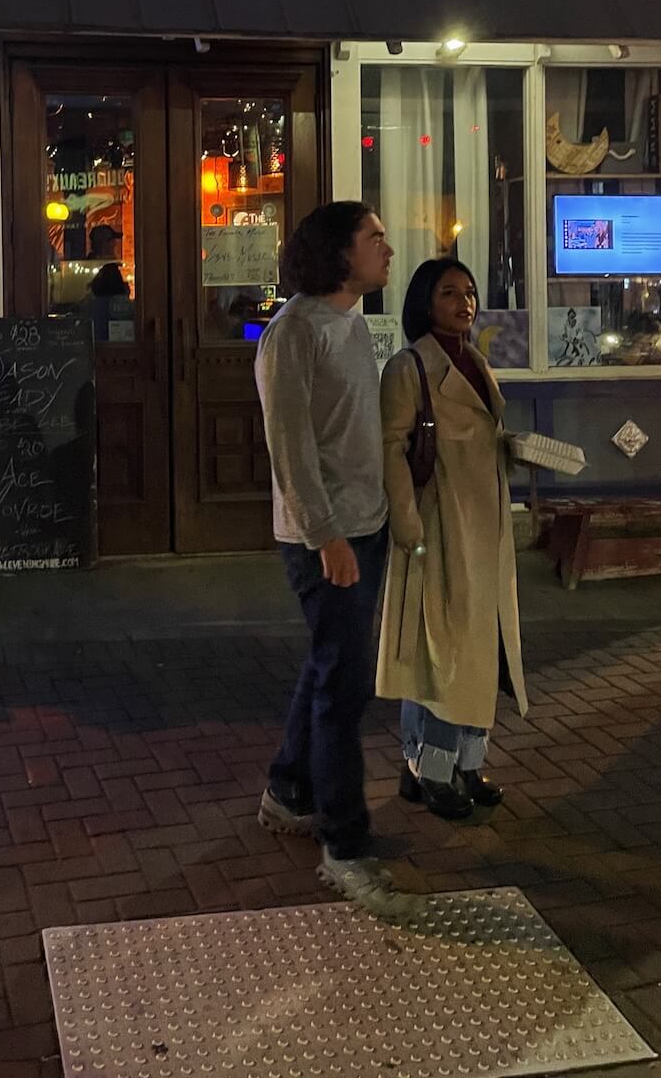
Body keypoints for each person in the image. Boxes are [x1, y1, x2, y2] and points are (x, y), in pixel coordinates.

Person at [254, 200, 408, 917]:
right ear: (338, 253)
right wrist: (327, 537)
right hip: (326, 538)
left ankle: (289, 789)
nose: (387, 247)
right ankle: (345, 844)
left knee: (329, 666)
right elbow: (291, 449)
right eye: (374, 237)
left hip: (365, 524)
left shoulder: (353, 324)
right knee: (346, 691)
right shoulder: (292, 333)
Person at [377, 260, 528, 820]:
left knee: (479, 644)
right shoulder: (409, 367)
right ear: (424, 300)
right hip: (438, 525)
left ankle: (466, 762)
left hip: (483, 527)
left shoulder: (477, 360)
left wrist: (511, 448)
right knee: (438, 650)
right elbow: (391, 448)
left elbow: (479, 434)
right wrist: (407, 522)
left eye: (469, 291)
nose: (464, 302)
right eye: (449, 293)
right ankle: (428, 768)